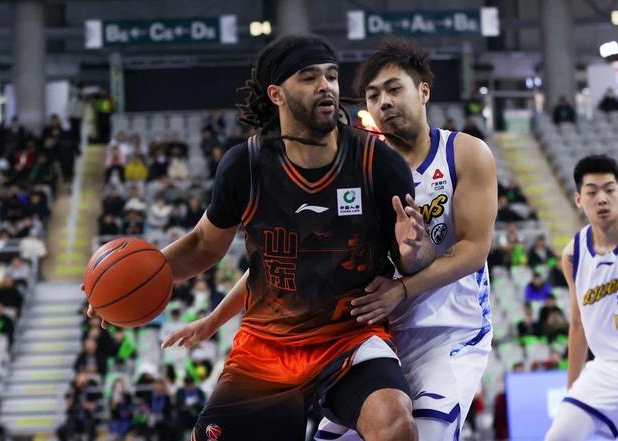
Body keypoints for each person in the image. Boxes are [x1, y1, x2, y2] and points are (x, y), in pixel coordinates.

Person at [165, 37, 497, 441]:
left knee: (415, 429)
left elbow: (470, 251)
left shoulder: (433, 157)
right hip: (358, 323)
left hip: (426, 329)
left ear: (424, 91)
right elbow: (276, 262)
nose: (384, 102)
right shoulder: (261, 164)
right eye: (374, 95)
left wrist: (409, 267)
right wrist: (213, 318)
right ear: (277, 94)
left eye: (394, 89)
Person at [105, 34, 430, 441]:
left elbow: (413, 264)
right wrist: (125, 282)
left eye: (331, 76)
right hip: (268, 345)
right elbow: (203, 245)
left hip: (349, 337)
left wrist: (415, 250)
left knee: (397, 426)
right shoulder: (246, 166)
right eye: (309, 77)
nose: (326, 86)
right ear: (276, 94)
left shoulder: (377, 162)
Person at [545, 154, 618, 441]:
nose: (602, 199)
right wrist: (572, 389)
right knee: (559, 436)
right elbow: (578, 324)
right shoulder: (573, 255)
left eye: (609, 190)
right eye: (592, 192)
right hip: (607, 368)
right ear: (579, 200)